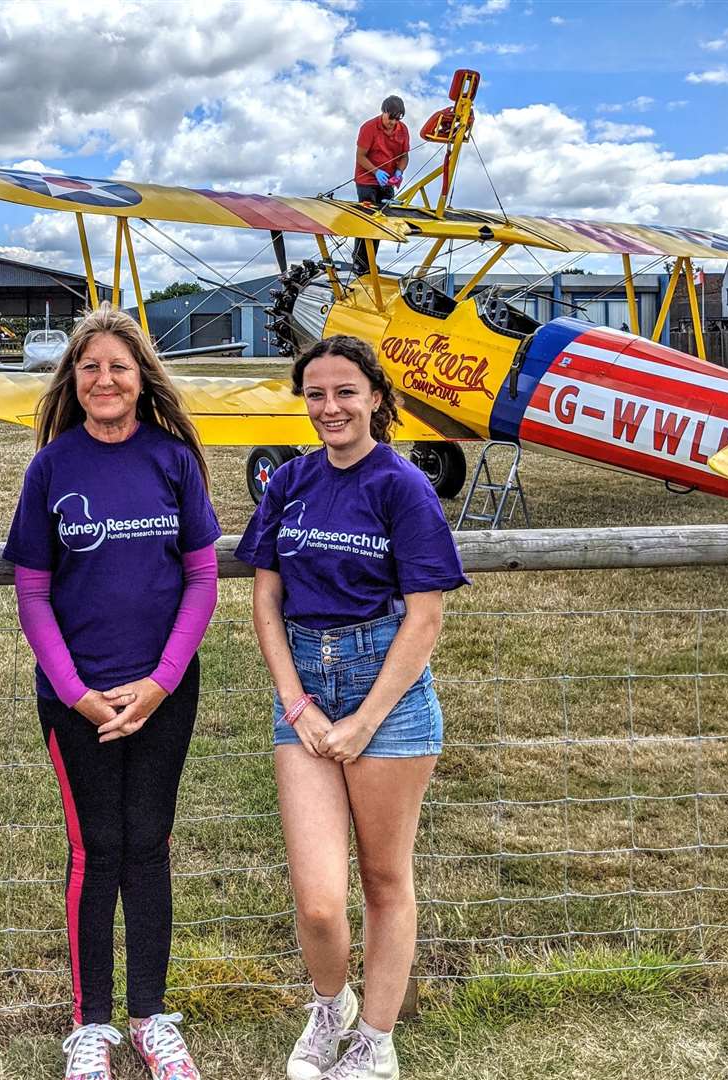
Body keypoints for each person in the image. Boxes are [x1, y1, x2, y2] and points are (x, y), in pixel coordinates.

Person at [236, 335, 467, 1080]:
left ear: (374, 397)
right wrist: (295, 701)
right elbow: (264, 595)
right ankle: (329, 1006)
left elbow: (425, 617)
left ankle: (375, 1039)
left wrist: (364, 720)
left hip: (387, 698)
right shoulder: (290, 481)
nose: (329, 407)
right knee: (319, 904)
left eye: (344, 392)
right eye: (315, 394)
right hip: (304, 688)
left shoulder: (402, 486)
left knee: (384, 879)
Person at [2, 303, 221, 1080]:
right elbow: (32, 593)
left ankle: (151, 1017)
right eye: (89, 367)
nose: (103, 379)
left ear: (141, 379)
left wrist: (160, 683)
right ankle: (90, 1024)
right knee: (96, 851)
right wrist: (78, 692)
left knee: (149, 844)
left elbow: (201, 578)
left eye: (118, 367)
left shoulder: (172, 461)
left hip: (164, 692)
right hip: (77, 701)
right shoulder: (52, 468)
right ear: (74, 378)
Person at [352, 96, 410, 277]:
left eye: (397, 118)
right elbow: (360, 156)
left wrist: (399, 172)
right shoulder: (369, 128)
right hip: (367, 181)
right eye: (390, 117)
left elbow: (404, 156)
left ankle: (369, 261)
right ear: (383, 111)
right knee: (368, 220)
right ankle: (360, 262)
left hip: (387, 182)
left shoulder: (403, 130)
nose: (392, 122)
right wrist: (376, 172)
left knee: (381, 222)